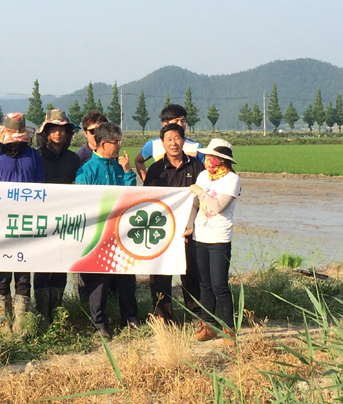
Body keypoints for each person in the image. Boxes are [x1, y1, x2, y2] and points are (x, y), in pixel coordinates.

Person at [0, 112, 45, 332]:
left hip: (27, 223)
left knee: (24, 273)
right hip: (1, 223)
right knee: (2, 272)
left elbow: (42, 189)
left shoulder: (34, 156)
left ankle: (21, 322)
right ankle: (3, 321)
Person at [75, 122, 138, 339]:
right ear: (103, 143)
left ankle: (130, 318)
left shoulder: (119, 166)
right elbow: (82, 202)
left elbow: (131, 195)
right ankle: (100, 324)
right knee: (99, 281)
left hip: (121, 232)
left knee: (127, 277)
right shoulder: (87, 170)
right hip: (98, 232)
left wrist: (129, 172)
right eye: (116, 142)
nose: (119, 146)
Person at [142, 123, 202, 324]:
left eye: (177, 138)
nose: (173, 143)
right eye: (168, 139)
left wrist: (192, 225)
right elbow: (149, 201)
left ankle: (196, 314)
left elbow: (202, 198)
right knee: (161, 272)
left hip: (190, 229)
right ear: (162, 143)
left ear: (183, 140)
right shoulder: (156, 169)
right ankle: (162, 316)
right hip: (163, 230)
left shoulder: (196, 166)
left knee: (192, 271)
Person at [189, 138, 240, 346]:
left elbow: (218, 206)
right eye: (207, 156)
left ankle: (229, 329)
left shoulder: (232, 180)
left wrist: (200, 192)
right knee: (205, 284)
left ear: (222, 160)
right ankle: (207, 326)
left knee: (220, 285)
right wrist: (189, 225)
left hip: (219, 237)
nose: (208, 160)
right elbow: (194, 205)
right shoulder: (203, 176)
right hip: (200, 235)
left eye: (212, 157)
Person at [33, 109, 80, 327]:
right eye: (53, 129)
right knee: (42, 264)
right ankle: (42, 314)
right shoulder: (37, 156)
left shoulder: (73, 159)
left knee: (61, 263)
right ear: (46, 132)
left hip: (65, 217)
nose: (58, 134)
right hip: (42, 217)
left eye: (62, 129)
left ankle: (57, 310)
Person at [133, 104, 204, 181]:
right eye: (176, 121)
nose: (180, 124)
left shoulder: (196, 147)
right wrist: (147, 180)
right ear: (165, 124)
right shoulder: (153, 144)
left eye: (183, 121)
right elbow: (138, 161)